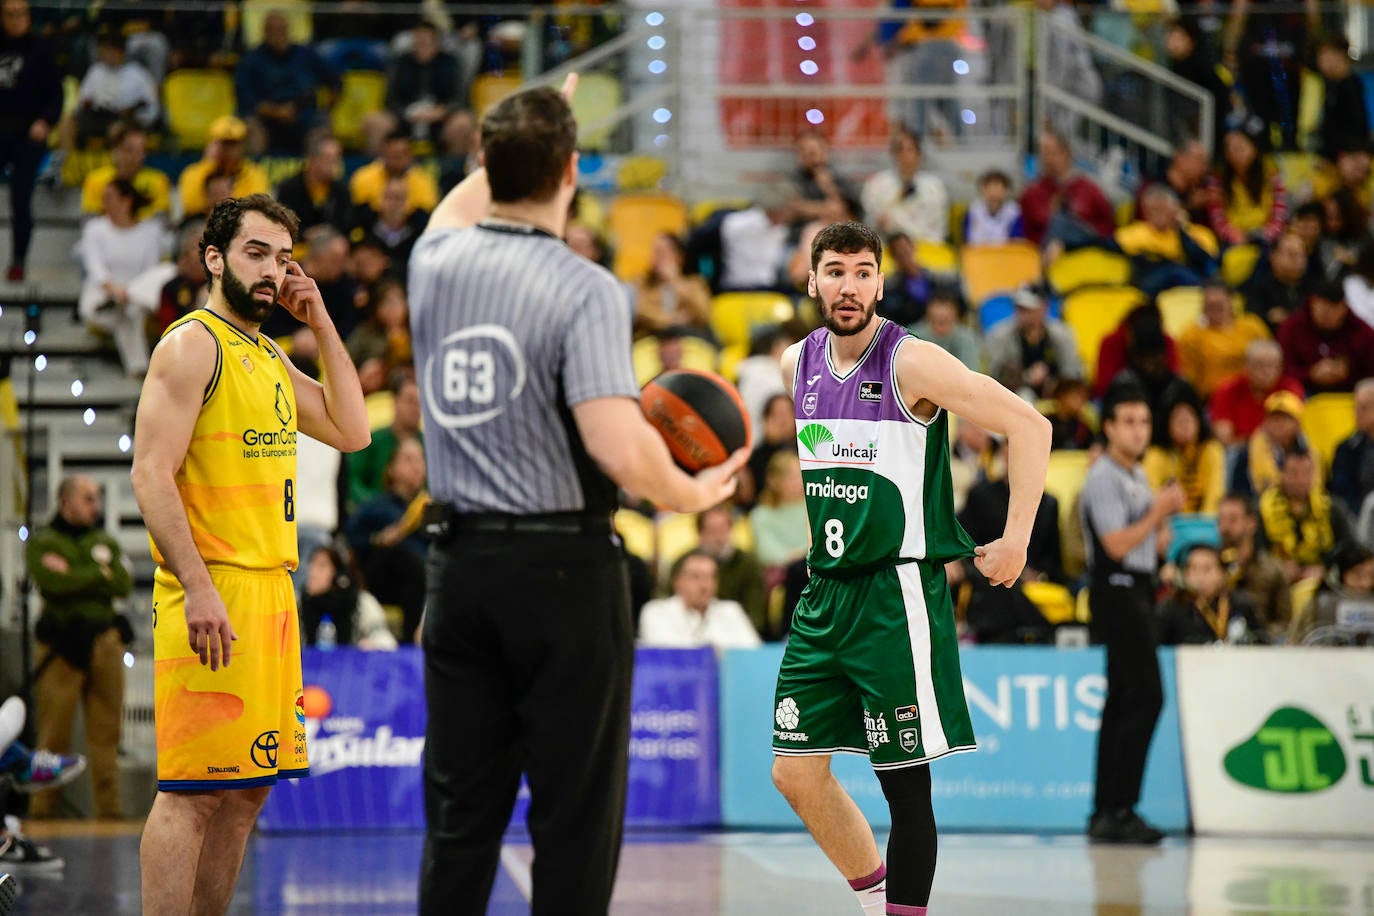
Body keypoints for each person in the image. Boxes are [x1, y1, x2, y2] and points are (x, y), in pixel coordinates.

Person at [407, 77, 745, 914]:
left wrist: (523, 127)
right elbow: (615, 444)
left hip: (456, 568)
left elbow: (459, 204)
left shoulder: (431, 261)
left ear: (484, 161)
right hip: (561, 571)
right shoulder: (584, 286)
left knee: (459, 816)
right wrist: (690, 490)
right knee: (575, 818)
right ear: (573, 170)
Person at [771, 220, 1052, 915]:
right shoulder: (794, 364)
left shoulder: (910, 363)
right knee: (795, 773)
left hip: (894, 595)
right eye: (835, 271)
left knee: (905, 789)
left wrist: (1016, 537)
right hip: (825, 593)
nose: (849, 285)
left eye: (864, 271)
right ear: (811, 282)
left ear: (880, 283)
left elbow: (1031, 426)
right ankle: (876, 903)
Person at [130, 193, 370, 915]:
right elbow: (150, 474)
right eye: (257, 254)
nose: (272, 271)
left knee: (246, 792)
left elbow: (352, 428)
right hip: (212, 589)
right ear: (214, 258)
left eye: (284, 258)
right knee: (192, 794)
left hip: (271, 593)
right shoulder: (191, 344)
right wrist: (199, 588)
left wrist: (320, 319)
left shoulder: (265, 353)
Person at [1081, 381, 1183, 844]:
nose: (1139, 431)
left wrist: (1158, 529)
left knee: (1123, 699)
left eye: (1144, 422)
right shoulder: (1103, 475)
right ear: (1109, 428)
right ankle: (1119, 807)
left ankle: (1110, 810)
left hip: (1138, 590)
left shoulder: (1136, 475)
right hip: (1117, 590)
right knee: (1145, 695)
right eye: (1128, 422)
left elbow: (1142, 543)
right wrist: (1157, 513)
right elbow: (1116, 545)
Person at [24, 475, 131, 819]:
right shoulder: (44, 542)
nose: (95, 506)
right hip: (61, 648)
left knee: (107, 736)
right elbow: (53, 583)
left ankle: (110, 816)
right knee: (53, 736)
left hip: (105, 644)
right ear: (66, 502)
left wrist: (78, 574)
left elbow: (122, 583)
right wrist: (97, 574)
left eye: (96, 498)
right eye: (87, 499)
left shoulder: (105, 540)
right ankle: (41, 817)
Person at [0, 0, 63, 283]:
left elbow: (55, 94)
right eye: (10, 14)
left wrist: (45, 121)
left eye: (21, 14)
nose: (16, 19)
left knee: (21, 196)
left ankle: (18, 260)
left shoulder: (41, 49)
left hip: (28, 133)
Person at [77, 179, 166, 377]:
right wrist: (117, 292)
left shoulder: (151, 231)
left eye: (109, 198)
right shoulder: (94, 229)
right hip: (102, 294)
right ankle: (141, 368)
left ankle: (139, 370)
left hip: (138, 294)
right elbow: (96, 269)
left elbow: (151, 270)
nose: (104, 202)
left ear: (126, 201)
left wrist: (129, 292)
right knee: (126, 316)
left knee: (164, 274)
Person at [234, 11, 338, 155]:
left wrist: (326, 108)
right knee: (250, 128)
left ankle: (318, 175)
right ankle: (253, 173)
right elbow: (246, 100)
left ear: (288, 31)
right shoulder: (251, 61)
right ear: (264, 32)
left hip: (304, 119)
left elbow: (335, 83)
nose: (278, 35)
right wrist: (277, 112)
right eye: (273, 30)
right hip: (265, 121)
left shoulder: (307, 56)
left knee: (322, 132)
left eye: (282, 29)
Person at [638, 550, 763, 650]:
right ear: (677, 582)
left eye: (710, 577)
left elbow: (753, 653)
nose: (705, 585)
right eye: (696, 577)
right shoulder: (656, 612)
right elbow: (666, 655)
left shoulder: (731, 611)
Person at [984, 284, 1083, 401]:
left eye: (1028, 308)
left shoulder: (1062, 335)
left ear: (1044, 308)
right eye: (1019, 308)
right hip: (1015, 395)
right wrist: (1027, 378)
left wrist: (1057, 385)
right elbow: (995, 375)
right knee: (1025, 397)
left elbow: (1073, 372)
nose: (1022, 313)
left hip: (1058, 395)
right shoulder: (999, 335)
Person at [1277, 280, 1374, 395]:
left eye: (1337, 312)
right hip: (1303, 393)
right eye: (1325, 313)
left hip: (1351, 395)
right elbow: (1281, 371)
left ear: (1344, 307)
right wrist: (1310, 374)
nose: (1332, 317)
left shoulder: (1361, 331)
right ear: (1313, 303)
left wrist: (1348, 373)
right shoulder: (1291, 328)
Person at [1177, 279, 1271, 397]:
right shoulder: (1192, 334)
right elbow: (1187, 376)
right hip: (1212, 397)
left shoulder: (1252, 326)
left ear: (1231, 302)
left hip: (1255, 394)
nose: (1215, 310)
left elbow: (1271, 359)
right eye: (1210, 306)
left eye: (1219, 305)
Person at [1156, 543, 1264, 645]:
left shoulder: (1240, 603)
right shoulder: (1173, 606)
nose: (1199, 576)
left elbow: (1259, 640)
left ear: (1222, 573)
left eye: (1207, 569)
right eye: (1193, 568)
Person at [1217, 494, 1292, 639]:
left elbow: (1284, 622)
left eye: (1233, 520)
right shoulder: (1209, 567)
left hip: (1261, 647)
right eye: (1221, 520)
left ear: (1251, 523)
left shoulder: (1274, 569)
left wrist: (1261, 636)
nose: (1225, 527)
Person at [1142, 388, 1226, 515]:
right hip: (1166, 525)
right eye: (1178, 419)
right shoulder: (1155, 456)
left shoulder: (1212, 450)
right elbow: (1150, 499)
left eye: (1190, 417)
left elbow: (1215, 497)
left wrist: (1203, 528)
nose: (1185, 424)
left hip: (1205, 527)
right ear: (1166, 423)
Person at [299, 545, 398, 650]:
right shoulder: (298, 603)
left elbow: (386, 640)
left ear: (338, 573)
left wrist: (374, 644)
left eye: (322, 566)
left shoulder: (362, 603)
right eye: (312, 564)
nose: (313, 572)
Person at [693, 502, 769, 639]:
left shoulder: (748, 563)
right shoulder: (685, 563)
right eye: (712, 530)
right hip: (691, 632)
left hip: (736, 632)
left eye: (723, 529)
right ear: (700, 533)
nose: (718, 537)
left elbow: (755, 613)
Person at [861, 125, 948, 243]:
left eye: (910, 149)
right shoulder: (876, 184)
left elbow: (936, 227)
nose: (904, 155)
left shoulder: (935, 187)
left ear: (920, 155)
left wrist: (898, 224)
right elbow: (870, 221)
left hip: (925, 246)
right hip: (886, 246)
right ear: (894, 154)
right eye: (899, 149)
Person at [1207, 339, 1304, 446]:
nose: (1266, 372)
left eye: (1272, 366)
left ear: (1280, 367)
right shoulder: (1228, 390)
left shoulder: (1290, 389)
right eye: (1260, 365)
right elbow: (1224, 437)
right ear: (1247, 366)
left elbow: (1291, 432)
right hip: (1240, 453)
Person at [177, 116, 271, 218]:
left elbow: (258, 206)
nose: (227, 149)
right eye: (223, 143)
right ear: (211, 143)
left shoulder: (254, 173)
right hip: (203, 222)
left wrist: (223, 200)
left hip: (241, 222)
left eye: (233, 143)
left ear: (242, 145)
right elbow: (191, 205)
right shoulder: (194, 172)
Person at [79, 122, 170, 224]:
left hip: (145, 236)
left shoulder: (158, 180)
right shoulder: (96, 180)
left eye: (142, 150)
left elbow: (162, 221)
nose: (138, 157)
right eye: (130, 150)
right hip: (107, 237)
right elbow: (90, 221)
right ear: (116, 150)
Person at [274, 131, 352, 234]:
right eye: (328, 158)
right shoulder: (289, 188)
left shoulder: (341, 189)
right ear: (312, 159)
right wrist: (306, 233)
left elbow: (346, 224)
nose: (335, 165)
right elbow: (282, 225)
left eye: (337, 158)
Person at [1330, 378, 1374, 517]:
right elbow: (1340, 491)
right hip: (1358, 519)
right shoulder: (1346, 448)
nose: (1357, 413)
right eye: (1355, 407)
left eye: (1364, 407)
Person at [908, 290, 981, 370]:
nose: (942, 313)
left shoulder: (966, 337)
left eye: (946, 306)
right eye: (938, 305)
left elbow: (971, 371)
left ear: (955, 312)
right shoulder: (913, 336)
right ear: (928, 310)